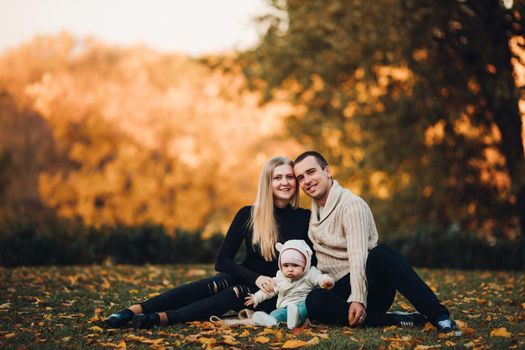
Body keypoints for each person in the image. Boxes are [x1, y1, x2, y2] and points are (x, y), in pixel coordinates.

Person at [102, 156, 311, 329]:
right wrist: (256, 278)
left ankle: (160, 318)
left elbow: (311, 262)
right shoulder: (248, 214)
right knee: (214, 284)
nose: (284, 182)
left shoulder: (305, 218)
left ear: (296, 182)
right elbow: (222, 260)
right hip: (250, 278)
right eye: (277, 177)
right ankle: (131, 311)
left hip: (276, 292)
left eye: (290, 177)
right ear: (268, 182)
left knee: (235, 293)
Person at [293, 151, 461, 336]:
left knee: (381, 254)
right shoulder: (313, 216)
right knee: (314, 301)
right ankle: (396, 319)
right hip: (339, 290)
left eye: (311, 172)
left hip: (370, 286)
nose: (306, 180)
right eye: (300, 177)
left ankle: (440, 317)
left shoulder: (351, 205)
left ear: (328, 171)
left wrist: (358, 298)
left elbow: (358, 257)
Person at [244, 239, 334, 329]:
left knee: (304, 308)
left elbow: (319, 278)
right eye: (286, 265)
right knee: (277, 312)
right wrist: (256, 298)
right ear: (280, 265)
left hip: (303, 302)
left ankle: (297, 319)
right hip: (285, 306)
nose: (290, 269)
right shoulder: (279, 278)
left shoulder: (310, 274)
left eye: (295, 265)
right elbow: (269, 290)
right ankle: (271, 320)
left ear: (305, 265)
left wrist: (325, 281)